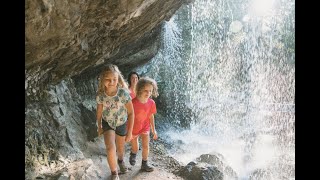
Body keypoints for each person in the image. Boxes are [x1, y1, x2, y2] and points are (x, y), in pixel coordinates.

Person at [96, 64, 134, 180]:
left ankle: (121, 160)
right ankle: (114, 172)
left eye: (114, 79)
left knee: (120, 149)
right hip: (108, 123)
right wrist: (99, 126)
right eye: (108, 79)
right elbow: (99, 112)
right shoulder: (101, 95)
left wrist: (130, 132)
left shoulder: (123, 94)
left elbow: (131, 113)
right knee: (110, 147)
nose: (111, 82)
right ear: (102, 80)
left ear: (118, 79)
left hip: (121, 123)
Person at [129, 77, 159, 172]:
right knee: (136, 147)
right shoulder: (132, 103)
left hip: (145, 127)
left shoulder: (151, 103)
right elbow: (128, 117)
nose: (148, 93)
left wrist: (153, 130)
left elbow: (151, 116)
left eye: (150, 91)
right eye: (145, 90)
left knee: (146, 146)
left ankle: (144, 163)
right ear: (139, 89)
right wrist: (128, 131)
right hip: (134, 128)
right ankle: (133, 153)